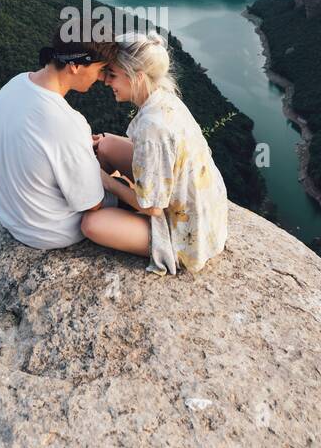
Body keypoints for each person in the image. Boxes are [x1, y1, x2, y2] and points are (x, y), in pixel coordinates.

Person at [82, 32, 229, 274]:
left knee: (91, 225)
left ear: (137, 77)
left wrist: (106, 181)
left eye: (113, 75)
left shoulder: (153, 128)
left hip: (185, 236)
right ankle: (109, 200)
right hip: (205, 215)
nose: (106, 81)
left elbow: (152, 208)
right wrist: (107, 143)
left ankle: (101, 200)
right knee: (106, 145)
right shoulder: (163, 98)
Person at [0, 33, 118, 249]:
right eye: (100, 70)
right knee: (124, 192)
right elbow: (92, 204)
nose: (102, 79)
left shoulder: (14, 84)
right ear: (75, 66)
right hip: (50, 230)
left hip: (11, 217)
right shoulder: (67, 122)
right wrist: (115, 183)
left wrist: (78, 148)